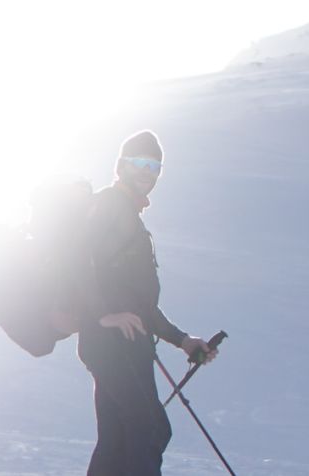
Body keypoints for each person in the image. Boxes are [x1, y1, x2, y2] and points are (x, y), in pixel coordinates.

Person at [78, 129, 219, 476]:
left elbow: (140, 305)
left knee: (118, 439)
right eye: (141, 163)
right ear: (122, 166)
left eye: (155, 167)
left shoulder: (128, 215)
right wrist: (103, 315)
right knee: (149, 428)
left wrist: (183, 340)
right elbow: (75, 261)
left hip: (125, 344)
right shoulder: (110, 205)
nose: (148, 172)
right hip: (113, 344)